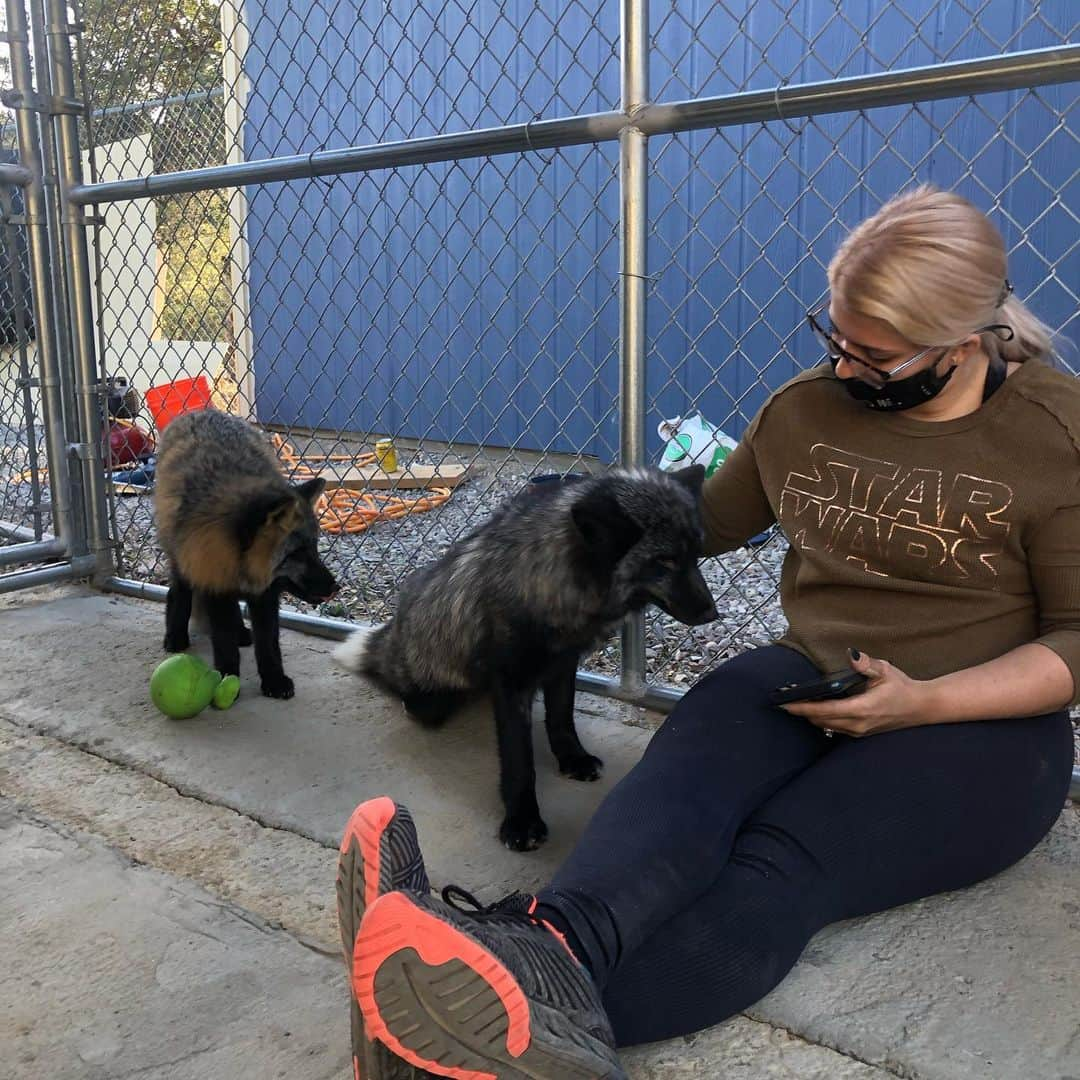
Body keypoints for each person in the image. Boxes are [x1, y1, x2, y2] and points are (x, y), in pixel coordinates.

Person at [336, 185, 1078, 1080]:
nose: (843, 371)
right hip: (812, 672)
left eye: (872, 357)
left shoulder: (1051, 434)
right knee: (678, 795)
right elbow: (693, 525)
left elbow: (1076, 641)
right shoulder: (805, 411)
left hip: (981, 725)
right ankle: (532, 957)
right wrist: (548, 536)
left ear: (962, 344)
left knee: (782, 859)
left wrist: (924, 702)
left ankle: (457, 1032)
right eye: (832, 338)